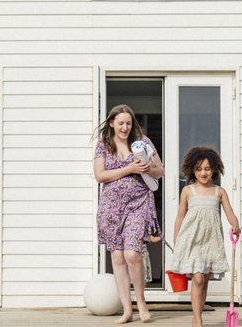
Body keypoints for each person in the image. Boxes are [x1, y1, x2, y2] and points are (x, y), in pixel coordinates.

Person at [93, 104, 165, 324]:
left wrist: (147, 169)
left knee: (132, 254)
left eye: (128, 123)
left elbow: (160, 171)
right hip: (111, 207)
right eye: (120, 123)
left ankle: (141, 303)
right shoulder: (103, 145)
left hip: (138, 203)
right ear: (112, 123)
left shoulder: (143, 142)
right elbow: (100, 175)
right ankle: (127, 310)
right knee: (117, 256)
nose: (125, 127)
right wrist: (129, 169)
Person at [169, 146, 241, 327]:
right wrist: (177, 239)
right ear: (193, 170)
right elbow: (180, 217)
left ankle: (197, 314)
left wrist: (236, 225)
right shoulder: (188, 191)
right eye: (199, 169)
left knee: (205, 279)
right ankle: (198, 319)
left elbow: (229, 212)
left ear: (214, 170)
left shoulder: (219, 191)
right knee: (198, 278)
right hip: (191, 238)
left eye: (207, 169)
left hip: (211, 240)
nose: (203, 173)